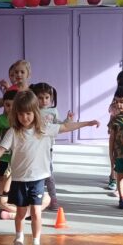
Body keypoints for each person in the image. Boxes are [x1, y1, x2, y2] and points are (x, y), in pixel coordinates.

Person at [0, 89, 98, 245]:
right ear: (15, 114)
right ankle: (19, 239)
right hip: (19, 179)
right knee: (20, 213)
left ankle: (36, 243)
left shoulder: (44, 129)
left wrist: (87, 123)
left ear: (35, 112)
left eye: (28, 113)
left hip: (38, 179)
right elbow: (1, 148)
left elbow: (65, 127)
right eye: (20, 114)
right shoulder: (13, 132)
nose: (25, 117)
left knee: (36, 212)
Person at [33, 81, 72, 211]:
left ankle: (53, 199)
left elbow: (58, 125)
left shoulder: (53, 111)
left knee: (48, 174)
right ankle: (35, 198)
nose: (44, 101)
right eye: (40, 98)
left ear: (51, 98)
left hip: (47, 148)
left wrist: (67, 120)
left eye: (47, 97)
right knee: (35, 175)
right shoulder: (32, 110)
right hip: (33, 147)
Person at [0, 89, 16, 210]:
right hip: (4, 155)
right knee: (1, 176)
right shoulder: (0, 119)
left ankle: (11, 197)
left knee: (14, 177)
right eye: (7, 105)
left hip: (16, 156)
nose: (10, 108)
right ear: (3, 105)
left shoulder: (20, 119)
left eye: (13, 105)